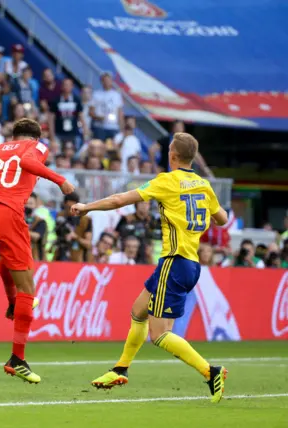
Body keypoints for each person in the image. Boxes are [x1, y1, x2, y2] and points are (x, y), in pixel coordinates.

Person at [71, 132, 229, 403]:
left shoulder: (167, 181)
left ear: (174, 155)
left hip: (175, 262)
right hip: (188, 262)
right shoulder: (204, 185)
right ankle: (121, 369)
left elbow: (121, 200)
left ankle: (210, 371)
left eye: (169, 149)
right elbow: (223, 219)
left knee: (160, 335)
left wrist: (88, 207)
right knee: (138, 310)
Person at [0, 118, 75, 384]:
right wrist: (60, 180)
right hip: (7, 213)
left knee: (8, 258)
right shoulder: (37, 147)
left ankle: (12, 302)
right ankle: (17, 359)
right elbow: (27, 163)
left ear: (13, 135)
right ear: (35, 138)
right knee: (29, 290)